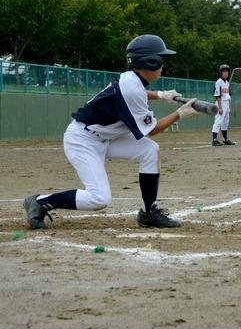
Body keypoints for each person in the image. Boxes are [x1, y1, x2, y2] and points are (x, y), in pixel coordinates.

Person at [23, 34, 200, 229]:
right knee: (99, 199)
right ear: (149, 62)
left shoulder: (131, 79)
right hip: (83, 140)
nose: (162, 65)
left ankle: (148, 213)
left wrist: (160, 95)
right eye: (160, 60)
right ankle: (39, 202)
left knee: (149, 150)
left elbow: (138, 94)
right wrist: (179, 114)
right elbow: (153, 129)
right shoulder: (132, 87)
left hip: (107, 138)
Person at [211, 64, 236, 146]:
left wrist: (229, 107)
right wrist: (220, 108)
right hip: (220, 103)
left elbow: (228, 96)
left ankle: (225, 139)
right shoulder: (218, 82)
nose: (226, 73)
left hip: (226, 103)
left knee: (225, 122)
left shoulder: (227, 83)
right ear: (221, 72)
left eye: (227, 71)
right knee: (218, 121)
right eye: (224, 71)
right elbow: (217, 96)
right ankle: (214, 140)